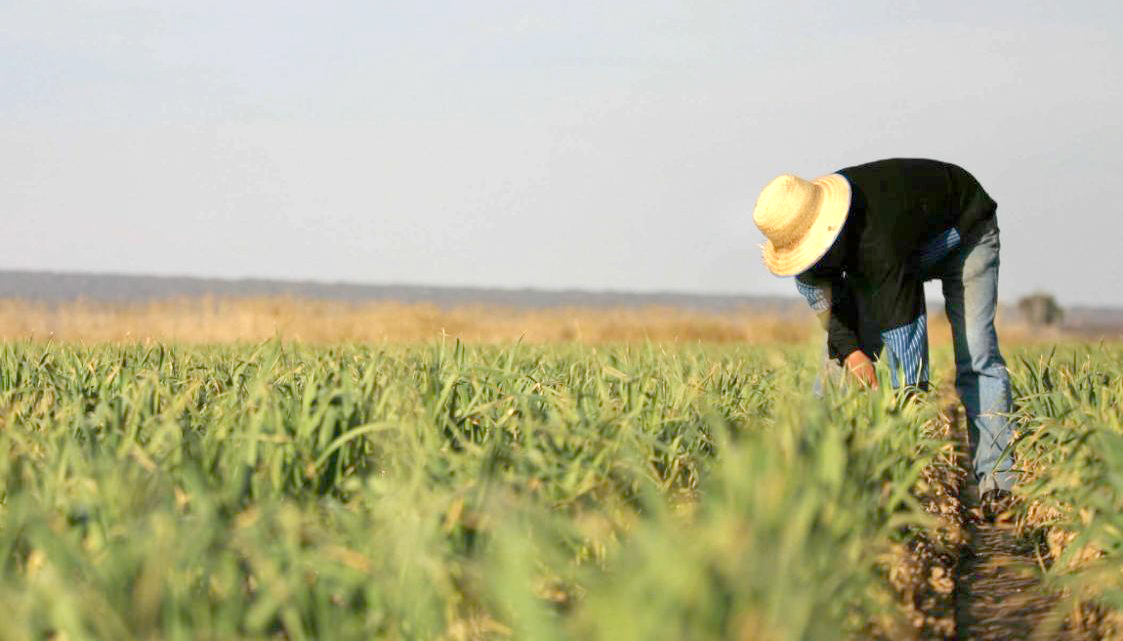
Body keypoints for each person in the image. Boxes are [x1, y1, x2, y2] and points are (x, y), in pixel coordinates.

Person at [752, 158, 1015, 519]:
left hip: (963, 231)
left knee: (976, 352)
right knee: (836, 369)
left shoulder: (876, 239)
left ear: (827, 230)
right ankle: (812, 480)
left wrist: (906, 425)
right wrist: (856, 356)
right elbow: (834, 319)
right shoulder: (805, 259)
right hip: (900, 250)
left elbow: (909, 345)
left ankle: (997, 484)